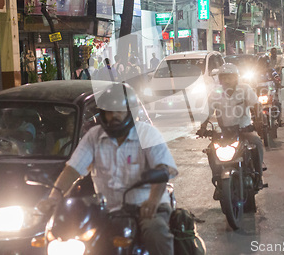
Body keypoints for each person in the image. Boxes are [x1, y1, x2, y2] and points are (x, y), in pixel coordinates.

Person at [39, 84, 178, 255]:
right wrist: (54, 197)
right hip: (106, 209)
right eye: (109, 111)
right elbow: (73, 169)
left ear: (130, 112)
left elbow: (162, 169)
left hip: (145, 207)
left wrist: (152, 200)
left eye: (120, 111)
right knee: (72, 234)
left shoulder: (148, 134)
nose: (114, 116)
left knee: (155, 232)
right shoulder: (93, 137)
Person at [197, 64, 265, 195]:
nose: (227, 80)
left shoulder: (245, 89)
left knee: (257, 142)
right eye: (224, 77)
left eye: (230, 77)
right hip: (224, 132)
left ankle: (258, 177)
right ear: (220, 79)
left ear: (236, 78)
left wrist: (258, 121)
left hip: (244, 130)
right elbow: (207, 112)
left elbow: (256, 105)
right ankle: (218, 182)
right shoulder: (215, 93)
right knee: (211, 150)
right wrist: (203, 128)